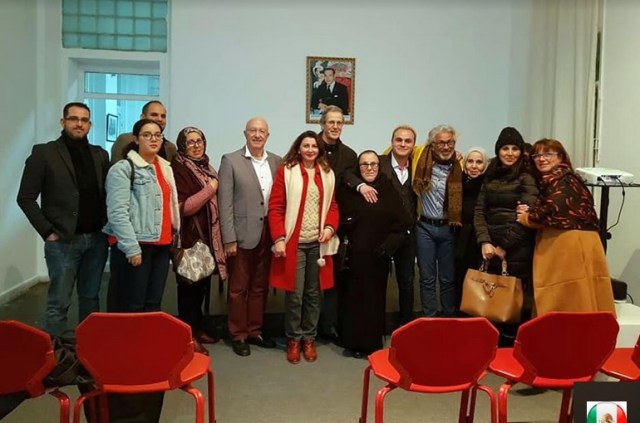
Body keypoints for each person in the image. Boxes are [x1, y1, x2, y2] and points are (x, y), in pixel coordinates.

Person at [17, 102, 110, 336]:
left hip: (96, 240)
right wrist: (47, 231)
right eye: (73, 119)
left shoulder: (100, 154)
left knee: (91, 299)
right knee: (58, 303)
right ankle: (56, 353)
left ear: (90, 125)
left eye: (84, 120)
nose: (79, 124)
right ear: (63, 122)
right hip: (63, 242)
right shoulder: (44, 153)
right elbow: (25, 198)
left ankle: (88, 351)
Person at [516, 138, 615, 315]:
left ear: (561, 157)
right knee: (585, 294)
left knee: (566, 298)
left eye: (548, 154)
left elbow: (552, 209)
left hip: (565, 245)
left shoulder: (560, 180)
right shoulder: (569, 179)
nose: (541, 159)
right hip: (584, 243)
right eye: (537, 155)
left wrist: (525, 217)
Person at [268, 131, 339, 364]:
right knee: (295, 295)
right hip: (294, 243)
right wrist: (279, 238)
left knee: (314, 294)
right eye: (306, 146)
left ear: (319, 149)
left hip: (318, 244)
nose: (310, 150)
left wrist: (330, 227)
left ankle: (309, 337)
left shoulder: (327, 174)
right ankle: (293, 339)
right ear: (298, 148)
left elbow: (333, 206)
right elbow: (276, 207)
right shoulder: (286, 171)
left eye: (314, 146)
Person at [338, 151, 413, 357]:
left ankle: (370, 345)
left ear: (379, 166)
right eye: (364, 164)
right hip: (353, 256)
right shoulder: (349, 190)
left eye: (373, 164)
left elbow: (403, 224)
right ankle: (352, 343)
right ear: (358, 167)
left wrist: (388, 247)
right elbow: (340, 216)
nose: (369, 168)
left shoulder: (387, 189)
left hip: (378, 256)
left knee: (373, 301)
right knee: (352, 299)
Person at [343, 125, 419, 326]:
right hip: (381, 235)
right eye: (398, 140)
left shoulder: (419, 165)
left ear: (414, 144)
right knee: (376, 281)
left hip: (406, 232)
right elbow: (348, 174)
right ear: (391, 142)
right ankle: (375, 323)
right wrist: (361, 185)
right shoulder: (379, 162)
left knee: (407, 280)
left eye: (408, 141)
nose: (403, 144)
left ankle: (405, 325)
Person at [218, 117, 281, 356]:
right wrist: (229, 239)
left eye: (261, 131)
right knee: (238, 288)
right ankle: (238, 334)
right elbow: (225, 204)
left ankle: (255, 331)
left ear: (268, 135)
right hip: (241, 234)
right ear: (245, 133)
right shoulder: (230, 160)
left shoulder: (276, 161)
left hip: (268, 234)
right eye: (252, 130)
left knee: (259, 286)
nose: (257, 135)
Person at [103, 119, 180, 312]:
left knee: (153, 304)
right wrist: (131, 248)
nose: (153, 139)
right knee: (132, 305)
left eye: (157, 135)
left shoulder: (165, 167)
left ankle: (148, 334)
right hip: (137, 245)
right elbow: (117, 212)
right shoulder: (123, 168)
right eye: (147, 135)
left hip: (161, 246)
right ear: (136, 139)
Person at [474, 127, 538, 344]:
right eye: (505, 148)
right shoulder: (491, 174)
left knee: (513, 304)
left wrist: (504, 247)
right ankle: (493, 347)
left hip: (517, 249)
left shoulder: (527, 177)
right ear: (498, 150)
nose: (510, 153)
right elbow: (479, 211)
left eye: (514, 149)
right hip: (490, 247)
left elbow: (526, 220)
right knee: (491, 300)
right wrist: (484, 241)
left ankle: (512, 349)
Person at [171, 127, 228, 356]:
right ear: (182, 146)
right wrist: (211, 189)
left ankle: (198, 328)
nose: (196, 146)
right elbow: (185, 207)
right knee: (189, 289)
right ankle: (188, 336)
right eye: (190, 142)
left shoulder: (206, 166)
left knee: (202, 286)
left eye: (199, 141)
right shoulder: (179, 168)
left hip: (207, 238)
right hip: (190, 239)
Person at [316, 105, 358, 342]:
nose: (335, 126)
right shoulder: (309, 148)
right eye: (331, 122)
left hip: (337, 222)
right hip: (310, 221)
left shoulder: (350, 155)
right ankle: (308, 328)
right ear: (322, 124)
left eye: (339, 122)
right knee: (311, 279)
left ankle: (330, 325)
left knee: (335, 277)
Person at [412, 124, 463, 317]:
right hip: (424, 227)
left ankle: (449, 317)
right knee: (427, 277)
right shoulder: (419, 159)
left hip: (449, 228)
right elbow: (392, 150)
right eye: (441, 142)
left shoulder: (460, 164)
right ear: (432, 144)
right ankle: (430, 317)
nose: (446, 146)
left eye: (450, 142)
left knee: (447, 278)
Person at [454, 147, 488, 309]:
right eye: (470, 161)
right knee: (458, 281)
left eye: (479, 162)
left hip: (481, 242)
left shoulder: (489, 186)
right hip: (459, 240)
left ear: (485, 165)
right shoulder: (456, 183)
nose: (474, 166)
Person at [110, 100, 177, 165]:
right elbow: (116, 168)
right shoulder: (125, 140)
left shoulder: (170, 148)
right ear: (142, 117)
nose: (160, 119)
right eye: (154, 115)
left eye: (163, 116)